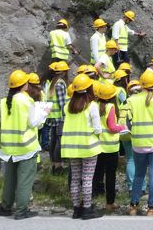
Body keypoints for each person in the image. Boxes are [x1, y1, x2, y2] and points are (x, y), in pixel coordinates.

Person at [0, 70, 45, 220]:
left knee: (10, 180)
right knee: (24, 181)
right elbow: (33, 123)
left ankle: (5, 207)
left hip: (9, 148)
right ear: (25, 85)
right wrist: (44, 113)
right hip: (26, 147)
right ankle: (21, 210)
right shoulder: (26, 100)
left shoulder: (5, 101)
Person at [61, 74, 103, 220]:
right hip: (88, 148)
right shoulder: (92, 106)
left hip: (71, 148)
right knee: (86, 178)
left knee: (75, 178)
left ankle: (75, 209)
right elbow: (98, 129)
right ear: (89, 88)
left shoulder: (67, 106)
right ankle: (87, 209)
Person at [127, 71, 153, 217]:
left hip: (138, 142)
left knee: (139, 174)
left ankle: (133, 206)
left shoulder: (131, 100)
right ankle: (152, 208)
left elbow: (127, 122)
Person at [94, 83, 128, 212]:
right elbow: (113, 127)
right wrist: (123, 127)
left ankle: (91, 199)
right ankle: (110, 202)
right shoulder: (111, 107)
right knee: (110, 175)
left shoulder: (95, 105)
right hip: (111, 147)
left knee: (96, 174)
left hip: (97, 145)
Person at [43, 62, 69, 174]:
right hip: (59, 117)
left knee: (53, 140)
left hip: (51, 116)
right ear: (64, 72)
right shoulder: (60, 84)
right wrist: (66, 115)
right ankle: (58, 166)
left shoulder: (51, 83)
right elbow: (62, 102)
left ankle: (54, 164)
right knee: (59, 141)